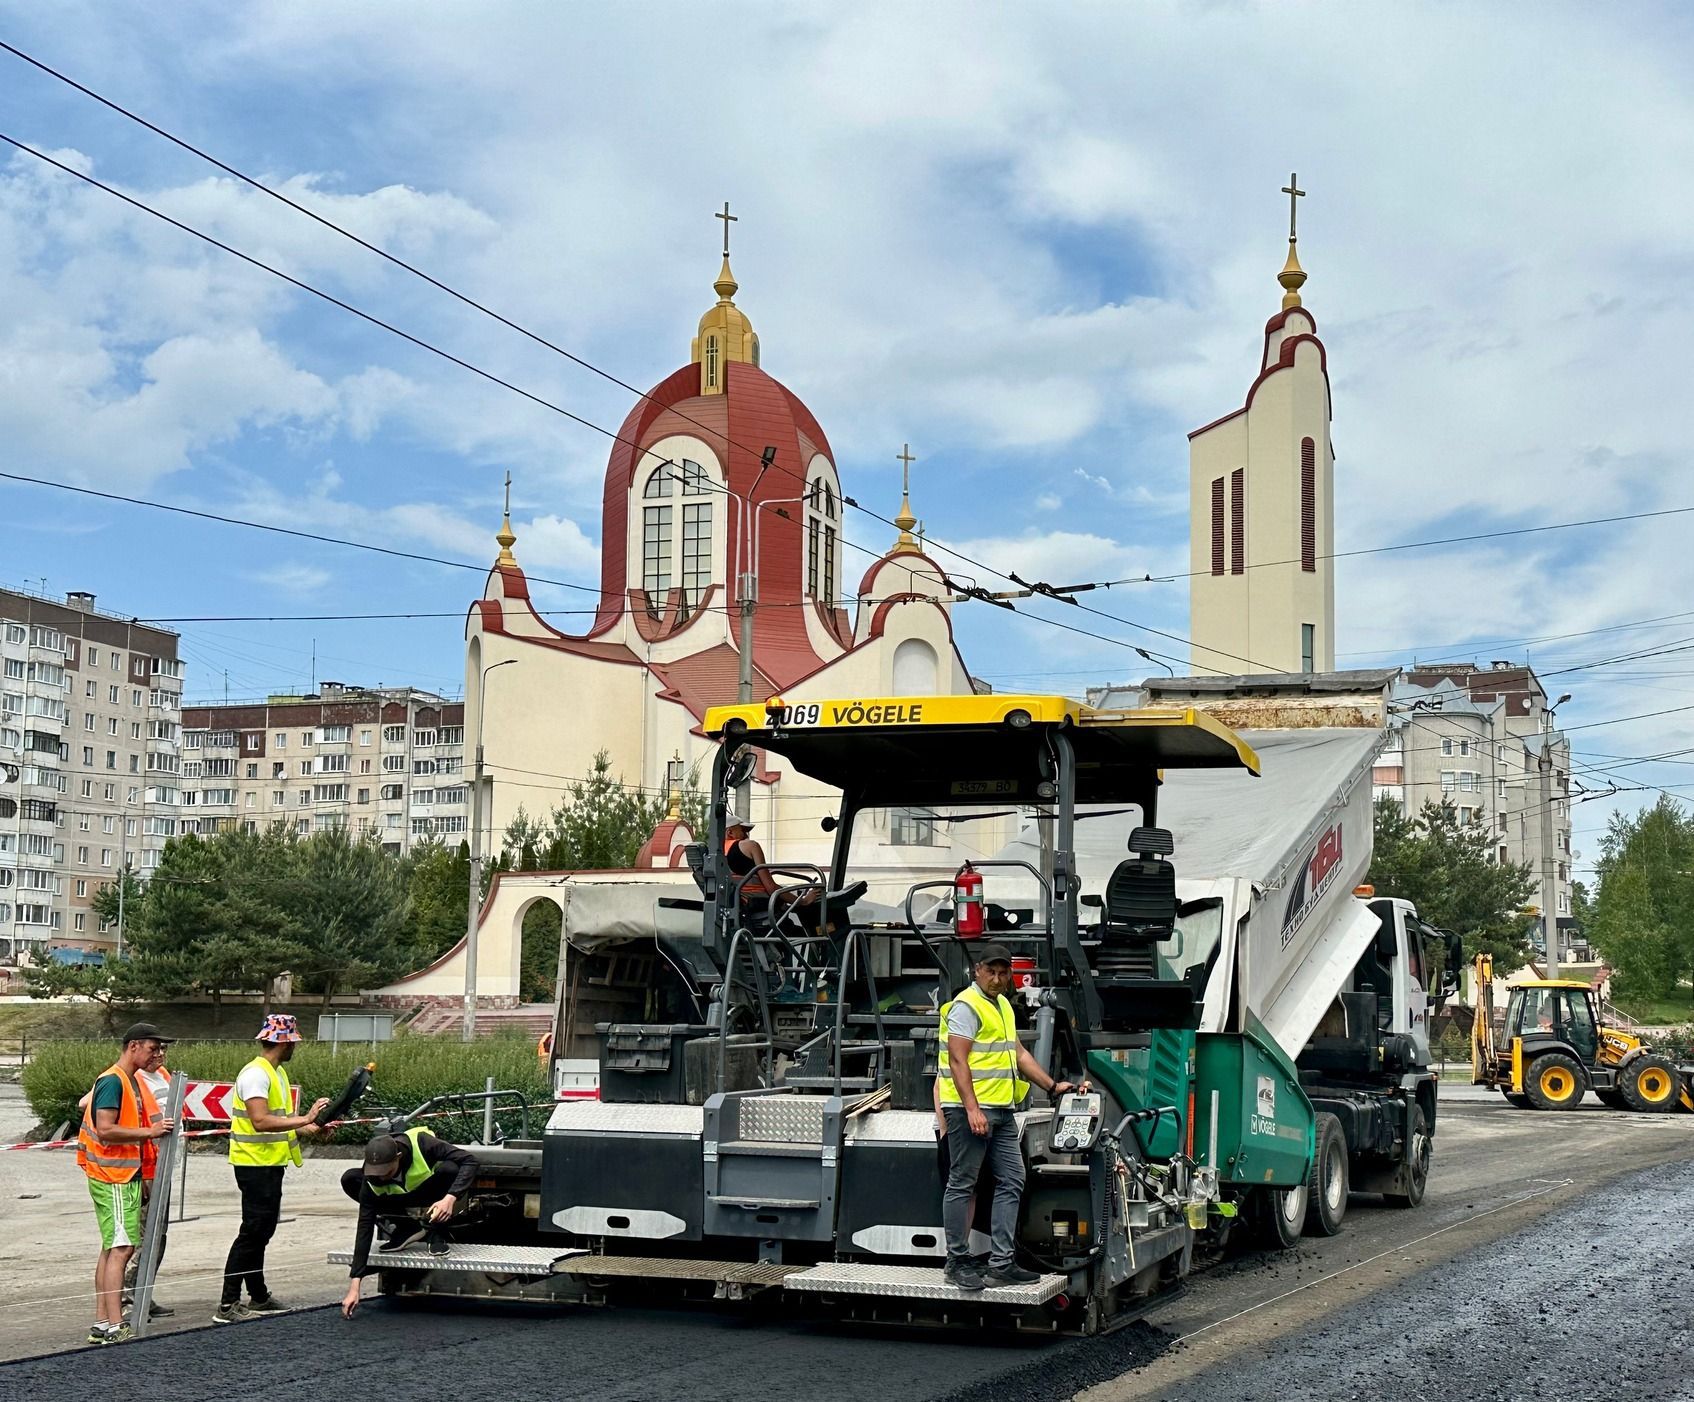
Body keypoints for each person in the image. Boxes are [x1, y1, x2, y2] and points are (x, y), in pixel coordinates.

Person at [937, 944, 1083, 1292]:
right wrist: (972, 1109)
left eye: (1004, 973)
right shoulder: (965, 1006)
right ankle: (956, 1261)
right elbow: (958, 1061)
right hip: (970, 1111)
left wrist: (1051, 1086)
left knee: (1013, 1179)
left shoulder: (1002, 1005)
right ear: (978, 971)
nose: (998, 978)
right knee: (963, 1182)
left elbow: (1018, 1053)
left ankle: (1001, 1263)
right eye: (992, 971)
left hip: (1002, 1112)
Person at [215, 1014, 330, 1324]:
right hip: (254, 1163)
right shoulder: (256, 1075)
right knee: (253, 1231)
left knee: (261, 1231)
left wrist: (312, 1129)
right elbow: (261, 1121)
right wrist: (306, 1119)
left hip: (268, 1163)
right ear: (283, 1041)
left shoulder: (273, 1073)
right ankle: (228, 1303)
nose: (296, 1046)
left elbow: (280, 1122)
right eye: (293, 1041)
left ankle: (259, 1295)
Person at [76, 1023, 177, 1345]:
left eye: (161, 1049)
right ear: (133, 1046)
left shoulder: (129, 1080)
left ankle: (104, 1321)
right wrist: (151, 1132)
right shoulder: (113, 1081)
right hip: (113, 1176)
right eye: (153, 1048)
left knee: (112, 1247)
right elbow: (106, 1129)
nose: (158, 1054)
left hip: (122, 1174)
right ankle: (114, 1324)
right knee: (121, 1248)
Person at [338, 1127, 480, 1318]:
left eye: (385, 1171)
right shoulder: (372, 1175)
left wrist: (450, 1198)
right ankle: (407, 1228)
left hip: (430, 1194)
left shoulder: (423, 1143)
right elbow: (364, 1226)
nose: (380, 1176)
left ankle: (437, 1231)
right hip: (398, 1199)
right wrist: (355, 1285)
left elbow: (470, 1161)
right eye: (376, 1172)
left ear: (398, 1156)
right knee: (350, 1178)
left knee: (450, 1169)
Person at [722, 810, 819, 918]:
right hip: (763, 906)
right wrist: (803, 901)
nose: (746, 835)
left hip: (743, 908)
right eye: (743, 830)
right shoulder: (750, 846)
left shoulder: (717, 854)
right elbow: (771, 887)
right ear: (730, 832)